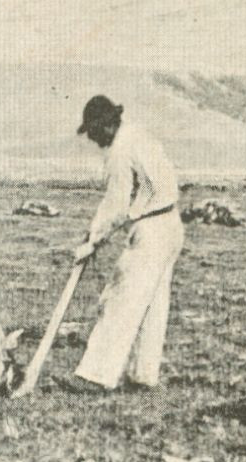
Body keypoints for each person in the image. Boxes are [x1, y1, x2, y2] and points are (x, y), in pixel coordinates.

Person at [69, 95, 185, 390]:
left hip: (151, 231)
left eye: (94, 131)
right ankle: (142, 375)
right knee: (152, 304)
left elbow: (116, 204)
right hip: (172, 226)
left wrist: (94, 238)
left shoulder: (120, 150)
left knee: (120, 300)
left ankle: (96, 376)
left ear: (106, 126)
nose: (93, 140)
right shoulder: (138, 135)